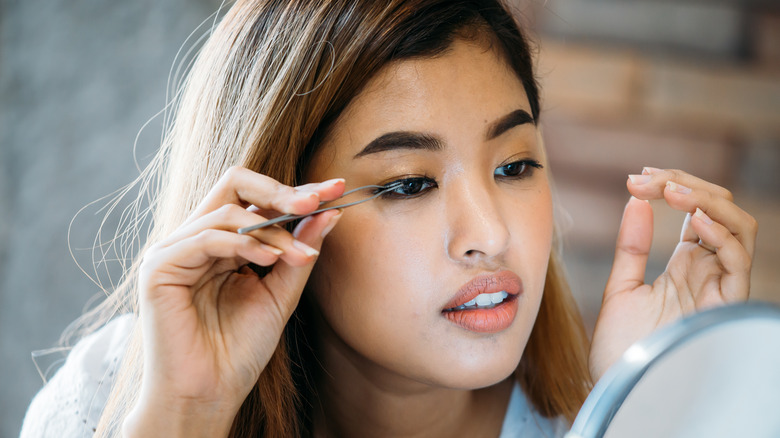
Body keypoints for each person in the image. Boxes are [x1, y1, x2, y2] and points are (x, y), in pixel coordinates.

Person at [21, 0, 757, 437]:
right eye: (407, 184)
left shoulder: (604, 422)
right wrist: (183, 412)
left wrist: (652, 403)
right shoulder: (117, 396)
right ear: (276, 210)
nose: (490, 235)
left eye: (514, 166)